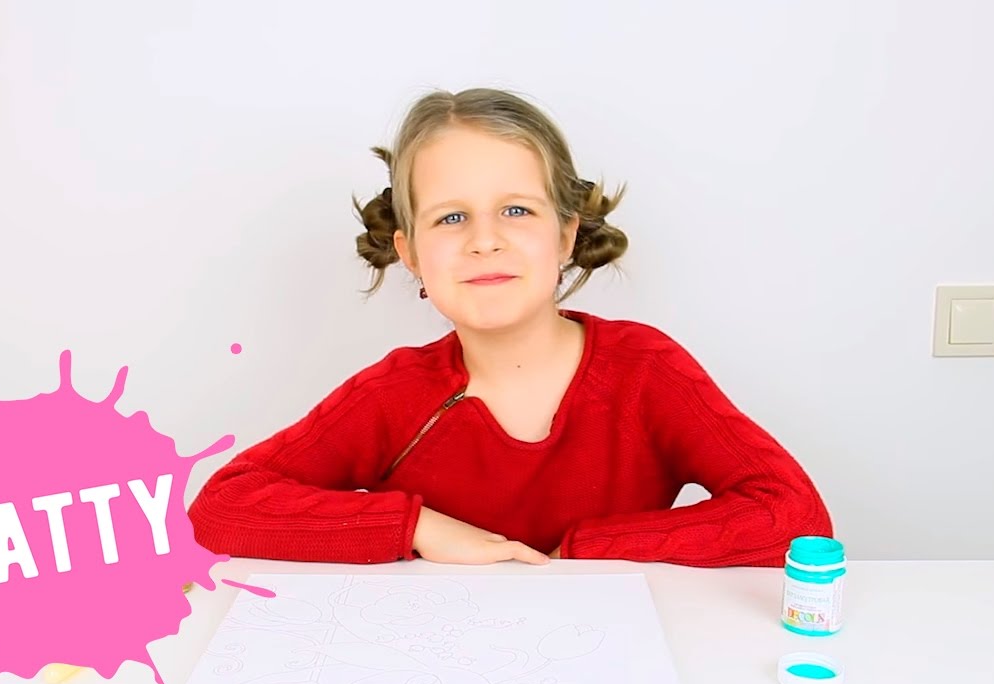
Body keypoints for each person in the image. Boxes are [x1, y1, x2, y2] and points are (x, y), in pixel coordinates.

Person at [187, 87, 833, 567]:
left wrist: (579, 552)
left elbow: (793, 515)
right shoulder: (391, 395)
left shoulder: (645, 370)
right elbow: (221, 506)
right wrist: (419, 528)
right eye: (451, 218)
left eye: (516, 210)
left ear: (566, 235)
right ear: (410, 253)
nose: (485, 240)